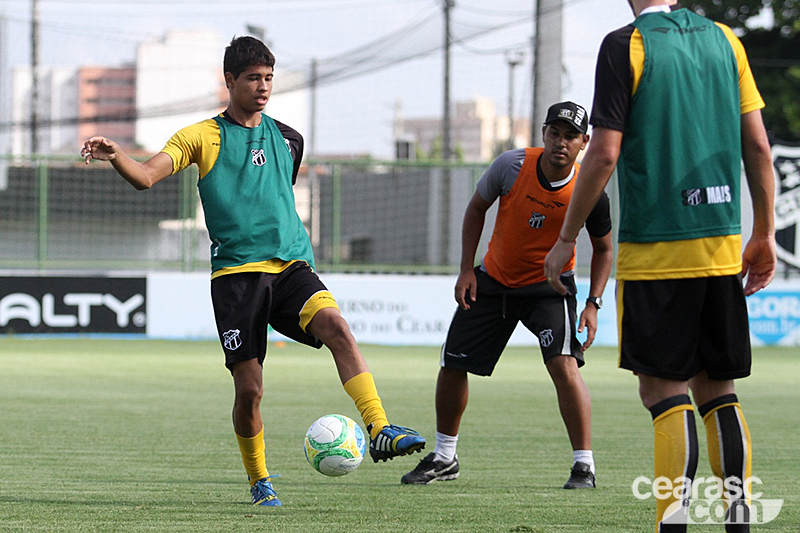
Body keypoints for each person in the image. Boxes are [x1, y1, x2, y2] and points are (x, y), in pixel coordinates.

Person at [81, 36, 425, 507]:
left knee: (338, 328)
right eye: (252, 79)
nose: (263, 87)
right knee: (251, 391)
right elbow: (146, 176)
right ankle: (259, 479)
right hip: (237, 280)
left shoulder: (289, 138)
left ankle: (380, 427)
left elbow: (276, 195)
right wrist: (117, 153)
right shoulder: (201, 136)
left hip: (291, 266)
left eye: (268, 78)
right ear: (229, 81)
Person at [544, 2, 776, 531]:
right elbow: (758, 146)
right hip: (720, 246)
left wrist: (565, 238)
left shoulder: (626, 44)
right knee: (718, 390)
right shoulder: (726, 39)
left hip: (657, 251)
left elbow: (602, 154)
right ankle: (738, 520)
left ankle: (671, 523)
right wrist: (763, 234)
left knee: (664, 391)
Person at [401, 101, 613, 488]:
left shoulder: (591, 189)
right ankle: (445, 456)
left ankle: (584, 465)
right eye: (554, 133)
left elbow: (604, 249)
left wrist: (593, 303)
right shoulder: (511, 166)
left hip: (549, 290)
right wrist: (468, 269)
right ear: (544, 134)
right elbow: (475, 209)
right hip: (493, 281)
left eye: (570, 136)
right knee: (452, 364)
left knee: (564, 365)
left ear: (584, 142)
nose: (560, 143)